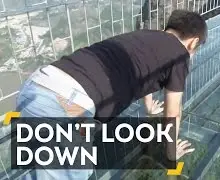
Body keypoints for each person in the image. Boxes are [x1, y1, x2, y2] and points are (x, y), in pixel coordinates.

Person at [16, 9, 208, 180]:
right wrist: (171, 155)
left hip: (37, 87)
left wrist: (149, 108)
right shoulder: (179, 54)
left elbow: (143, 71)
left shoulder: (144, 36)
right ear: (194, 42)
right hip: (65, 103)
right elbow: (173, 112)